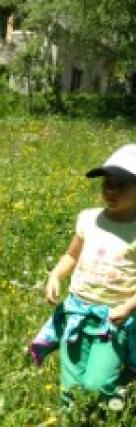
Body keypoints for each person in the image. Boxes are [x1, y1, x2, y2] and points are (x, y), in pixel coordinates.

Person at [31, 144, 136, 405]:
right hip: (76, 311)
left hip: (114, 318)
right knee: (72, 382)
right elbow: (71, 255)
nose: (112, 191)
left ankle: (103, 422)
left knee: (97, 384)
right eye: (107, 184)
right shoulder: (88, 219)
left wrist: (128, 307)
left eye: (122, 185)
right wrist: (55, 276)